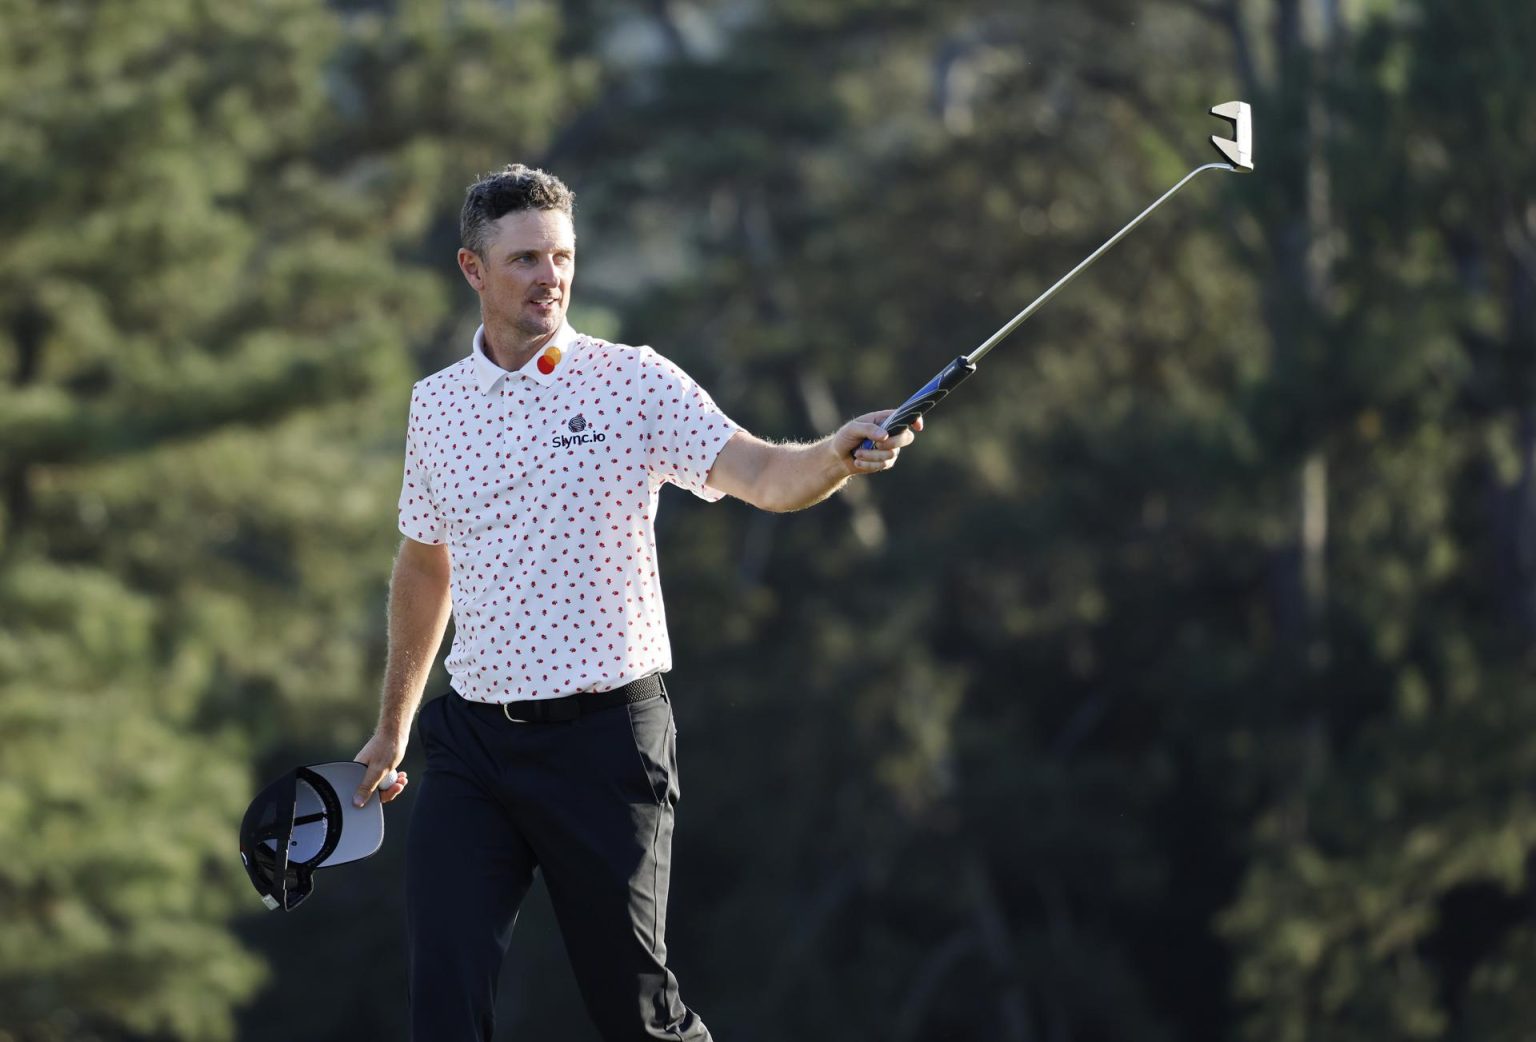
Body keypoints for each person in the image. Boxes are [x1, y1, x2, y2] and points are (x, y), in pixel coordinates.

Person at [352, 163, 919, 1042]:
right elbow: (427, 567)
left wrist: (838, 455)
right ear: (473, 270)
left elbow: (765, 475)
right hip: (472, 747)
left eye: (563, 257)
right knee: (444, 995)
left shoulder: (631, 382)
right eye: (527, 259)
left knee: (636, 1016)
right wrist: (393, 727)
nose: (552, 277)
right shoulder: (437, 408)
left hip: (605, 742)